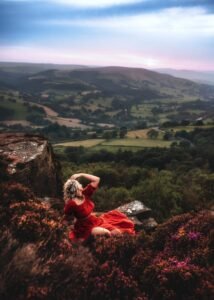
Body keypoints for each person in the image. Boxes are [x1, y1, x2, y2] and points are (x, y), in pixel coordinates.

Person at [63, 173, 135, 241]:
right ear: (74, 191)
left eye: (80, 187)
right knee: (109, 233)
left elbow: (97, 179)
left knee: (117, 231)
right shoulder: (71, 204)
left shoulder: (85, 194)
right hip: (85, 228)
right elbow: (66, 217)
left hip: (95, 220)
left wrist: (81, 174)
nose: (82, 189)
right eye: (79, 189)